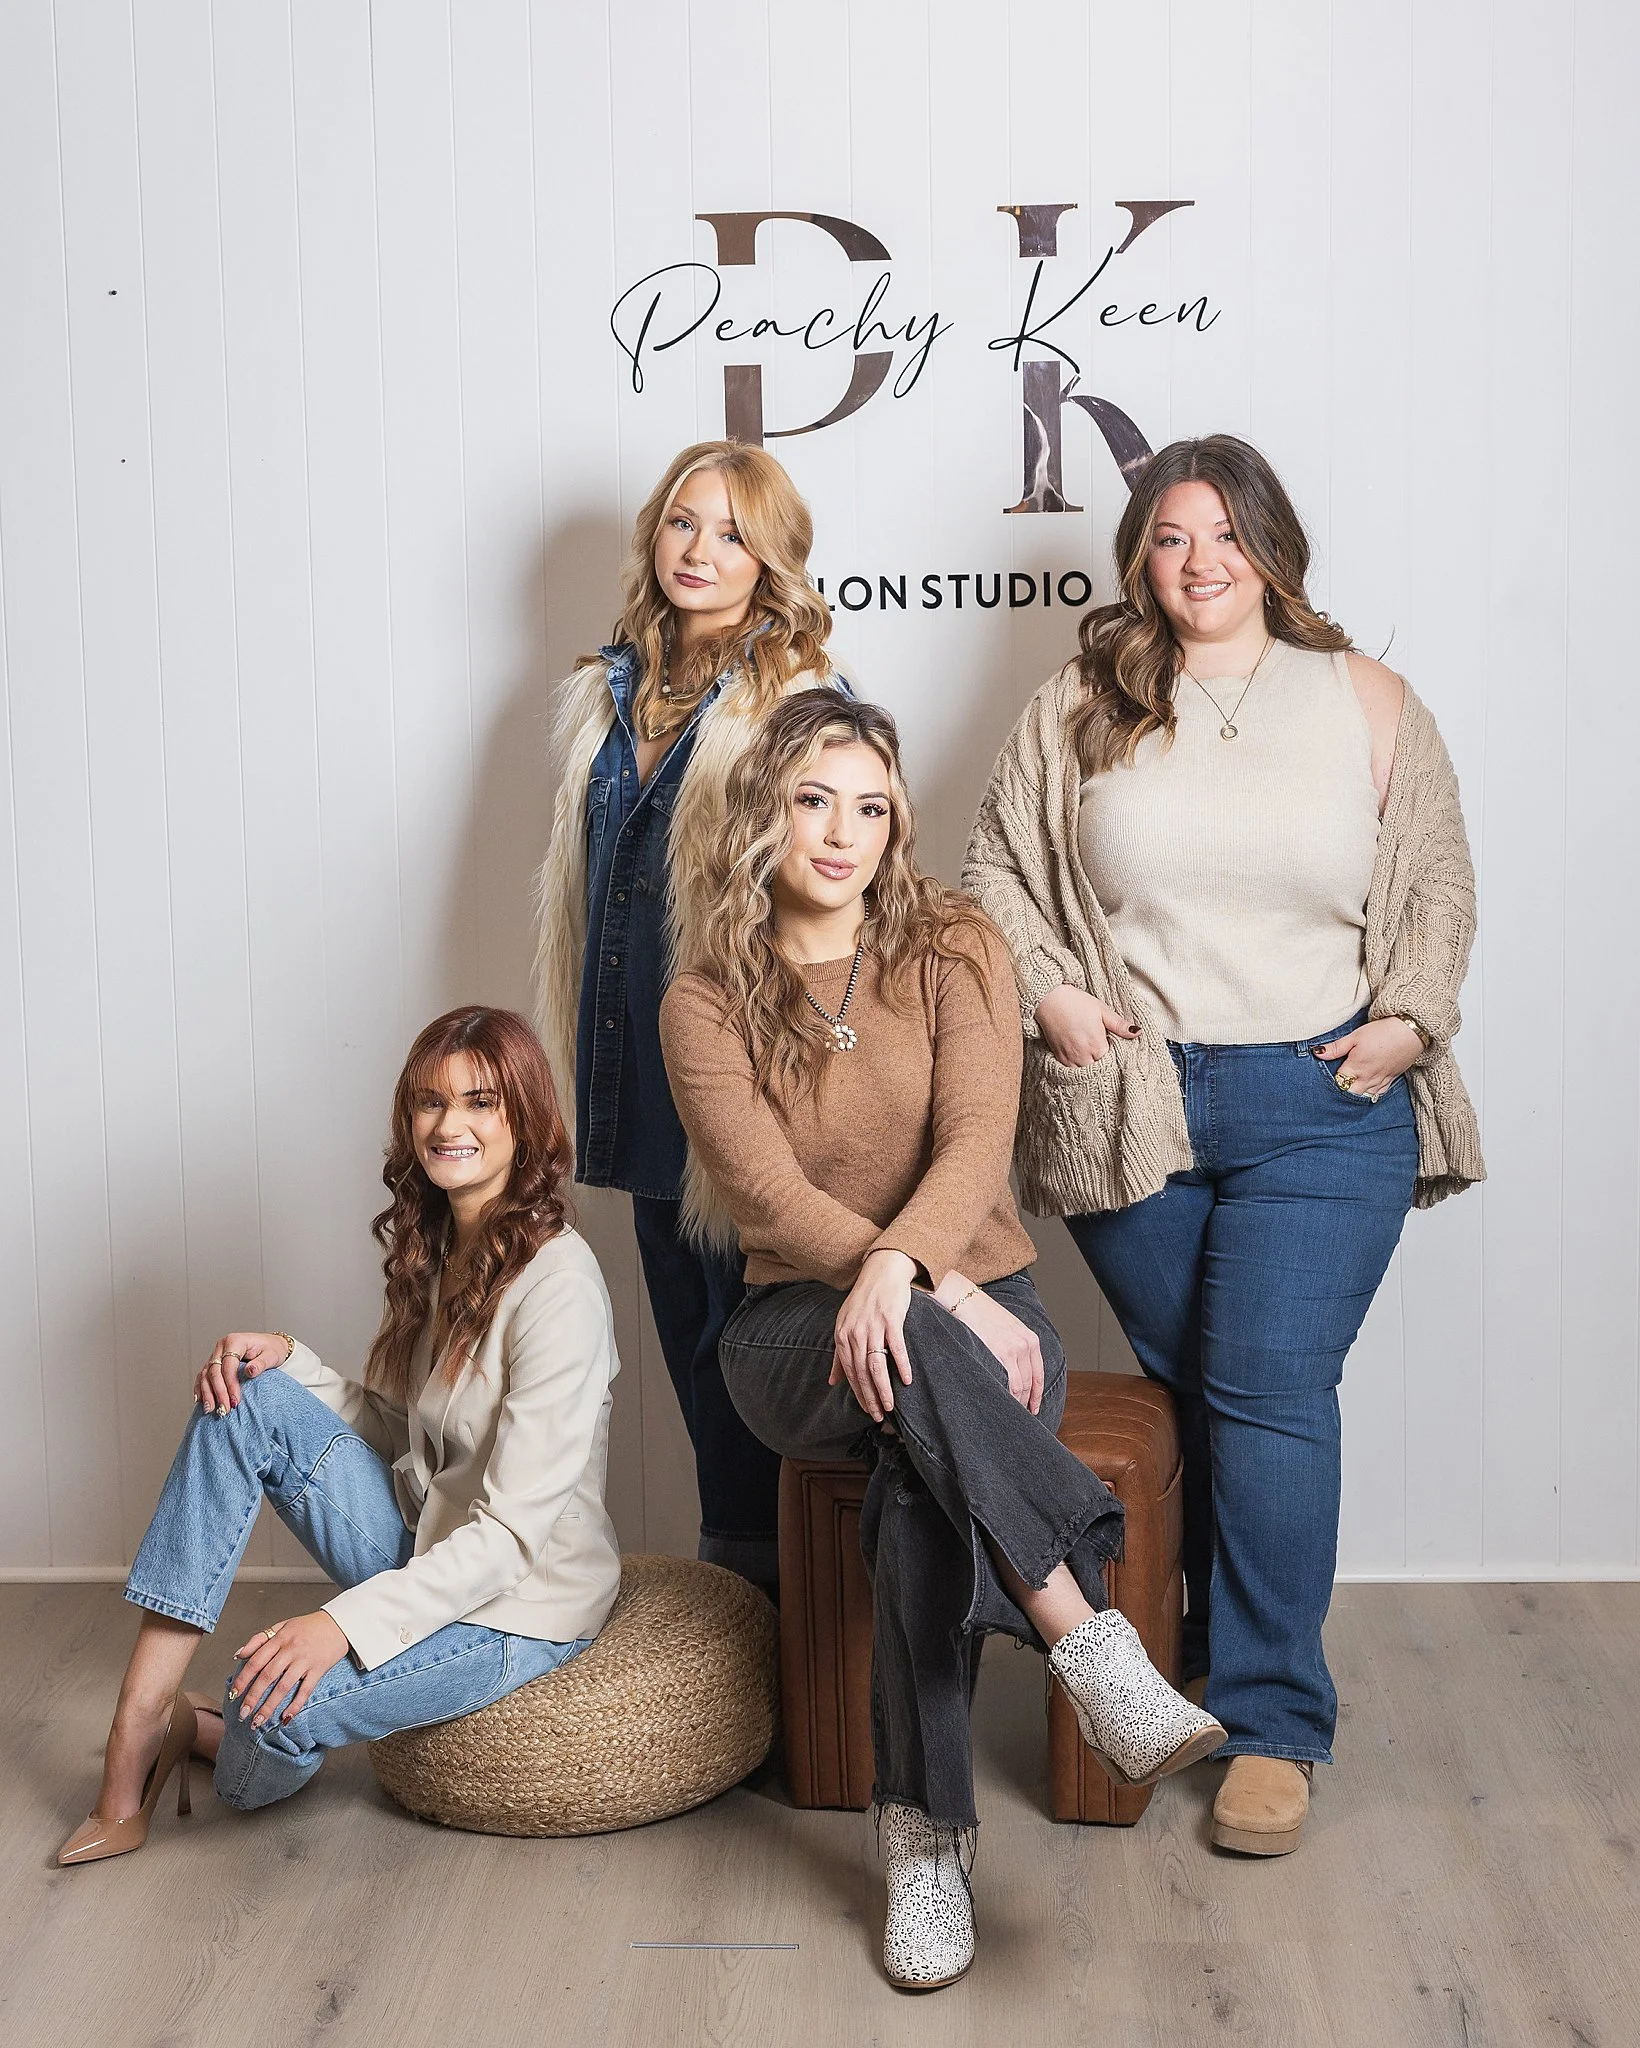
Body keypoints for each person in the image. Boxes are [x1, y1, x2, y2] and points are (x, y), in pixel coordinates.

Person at [963, 434, 1484, 1859]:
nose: (1200, 563)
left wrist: (1411, 1021)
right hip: (1138, 1101)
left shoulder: (1368, 699)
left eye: (1224, 535)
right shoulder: (1082, 700)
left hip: (1326, 1101)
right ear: (1140, 557)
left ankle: (1272, 1726)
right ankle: (1179, 1658)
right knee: (1217, 1394)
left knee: (1263, 1388)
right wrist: (1052, 991)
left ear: (1271, 544)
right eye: (1171, 539)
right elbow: (994, 866)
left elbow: (1434, 875)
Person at [659, 692, 1221, 1990]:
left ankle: (925, 1842)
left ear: (896, 815)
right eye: (813, 800)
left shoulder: (957, 939)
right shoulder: (707, 998)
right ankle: (1086, 1635)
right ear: (766, 812)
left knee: (922, 1468)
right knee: (913, 1364)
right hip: (794, 1332)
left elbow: (978, 1139)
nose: (843, 832)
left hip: (980, 1314)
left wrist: (916, 1281)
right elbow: (766, 1199)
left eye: (870, 804)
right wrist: (915, 1287)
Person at [59, 1007, 620, 1864]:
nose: (450, 1125)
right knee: (245, 1395)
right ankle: (135, 1731)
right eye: (430, 1103)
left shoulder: (561, 1289)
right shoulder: (451, 1247)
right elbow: (419, 1437)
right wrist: (292, 1364)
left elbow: (508, 1541)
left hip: (522, 1606)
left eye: (480, 1102)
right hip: (433, 1543)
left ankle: (208, 1736)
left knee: (263, 1703)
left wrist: (339, 1626)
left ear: (527, 1122)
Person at [533, 440, 845, 1595]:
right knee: (690, 1336)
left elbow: (838, 886)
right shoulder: (605, 693)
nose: (699, 550)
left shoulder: (800, 700)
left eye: (728, 530)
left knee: (758, 1336)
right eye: (681, 522)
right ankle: (738, 1588)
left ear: (769, 557)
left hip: (743, 1068)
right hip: (631, 1057)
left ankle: (774, 1589)